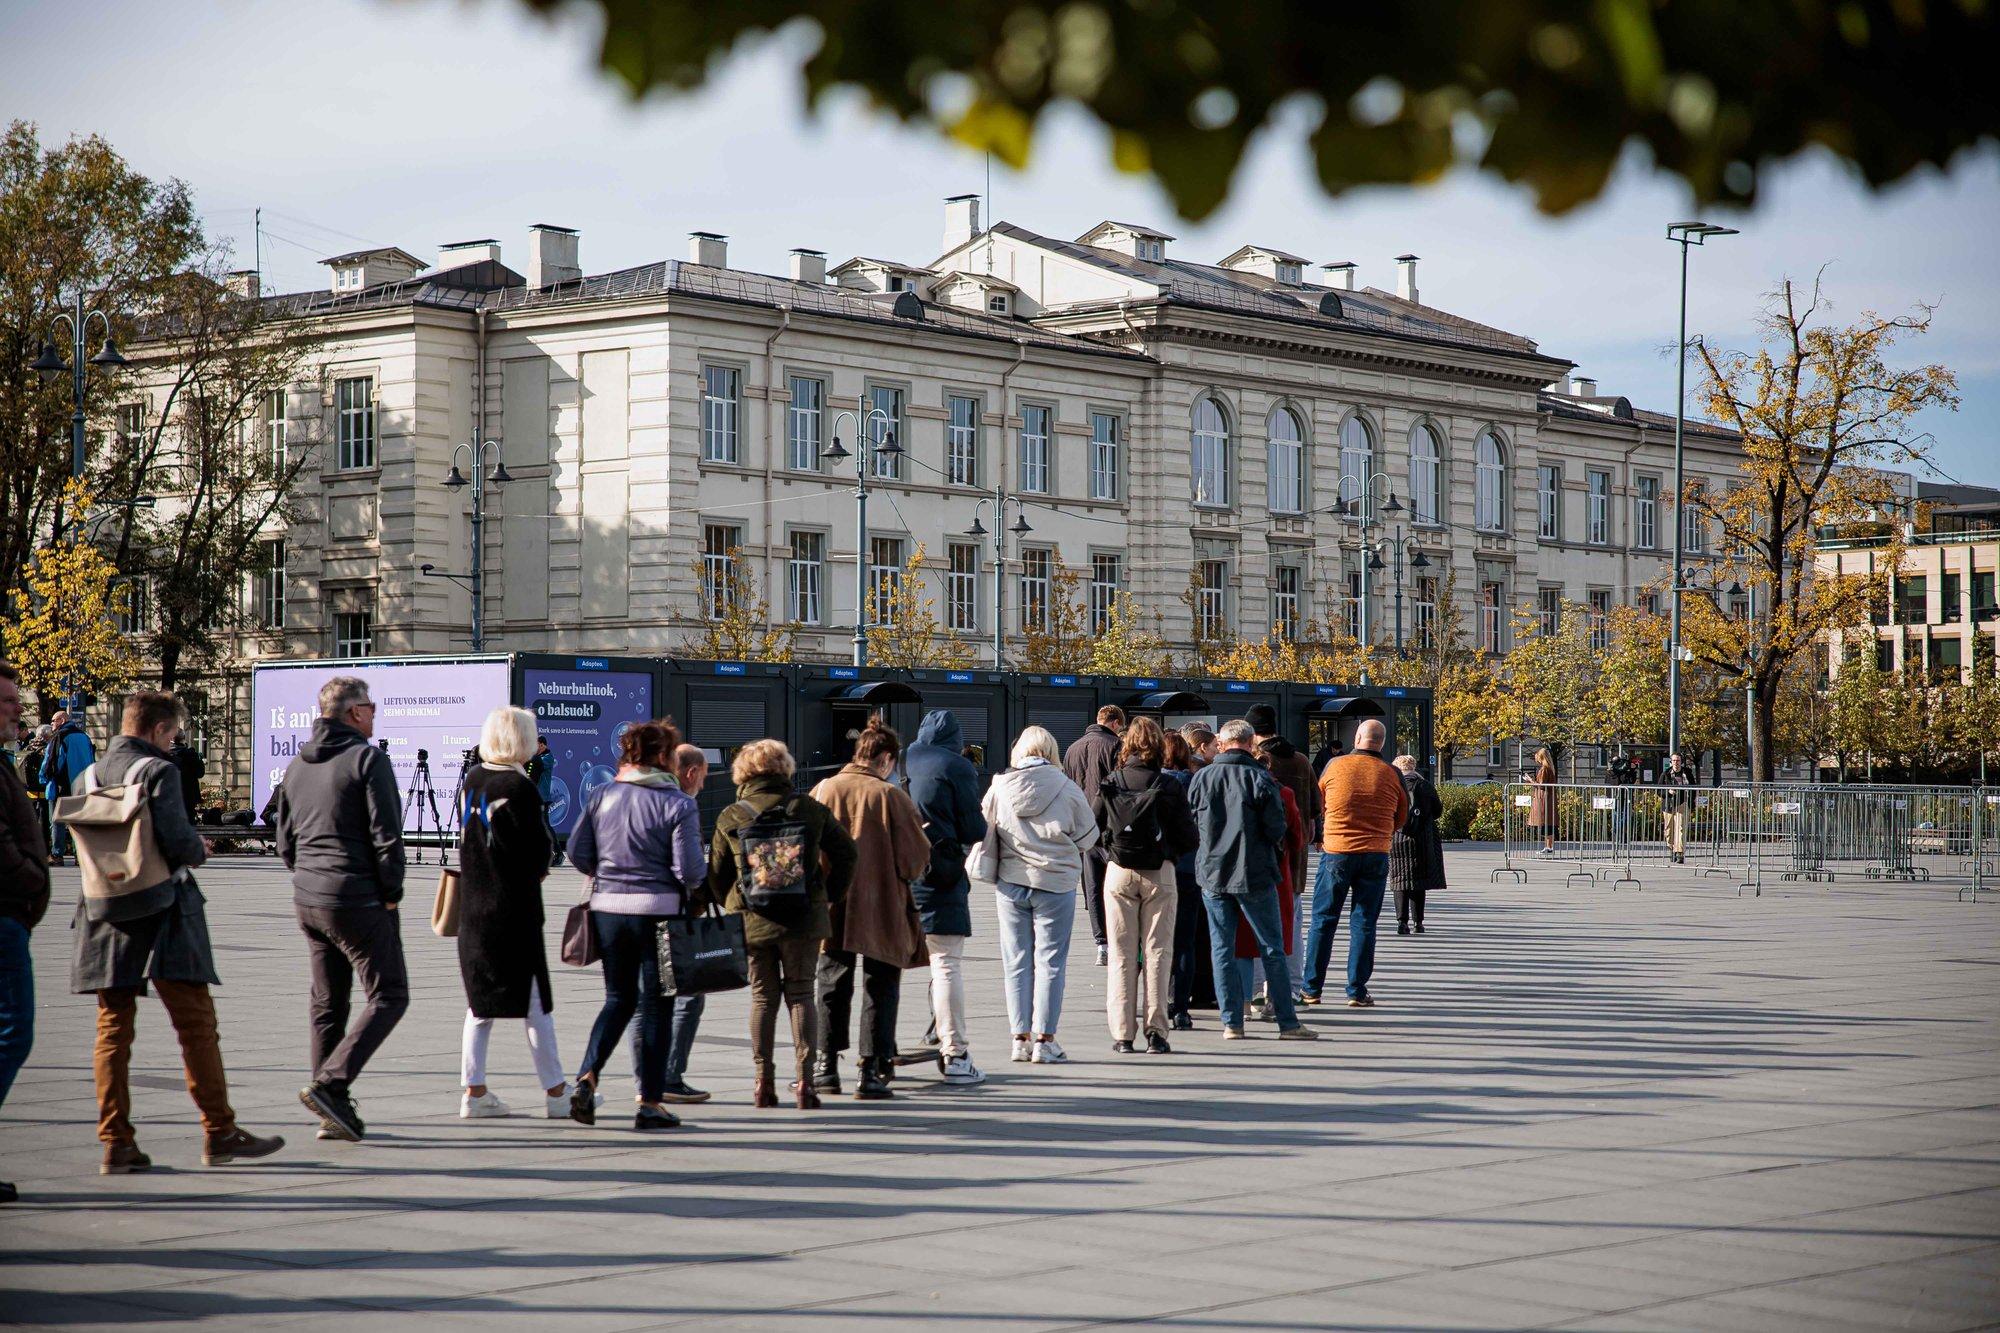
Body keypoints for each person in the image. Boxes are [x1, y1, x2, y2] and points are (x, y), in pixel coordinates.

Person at [70, 692, 285, 1174]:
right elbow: (179, 843)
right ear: (154, 730)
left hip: (104, 907)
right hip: (163, 910)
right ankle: (219, 1131)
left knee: (112, 1030)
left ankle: (117, 1142)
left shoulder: (88, 775)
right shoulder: (158, 772)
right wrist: (199, 845)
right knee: (195, 1025)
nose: (172, 744)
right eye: (171, 734)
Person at [274, 676, 409, 1143]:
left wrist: (308, 875)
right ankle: (332, 1084)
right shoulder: (367, 759)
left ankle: (331, 1108)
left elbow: (284, 842)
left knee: (328, 1002)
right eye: (371, 706)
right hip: (356, 896)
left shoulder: (297, 764)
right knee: (390, 995)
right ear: (354, 713)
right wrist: (391, 891)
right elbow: (386, 836)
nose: (375, 714)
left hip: (308, 896)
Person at [565, 719, 705, 1130]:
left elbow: (577, 850)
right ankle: (650, 1101)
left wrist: (607, 875)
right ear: (664, 757)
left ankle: (588, 1075)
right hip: (658, 912)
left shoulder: (602, 794)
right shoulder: (678, 803)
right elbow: (690, 870)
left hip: (608, 910)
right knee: (657, 1005)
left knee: (617, 999)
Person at [711, 739, 856, 1108]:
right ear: (785, 768)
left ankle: (763, 1083)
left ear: (743, 772)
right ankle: (806, 1083)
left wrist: (733, 901)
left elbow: (715, 873)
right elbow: (847, 853)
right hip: (804, 918)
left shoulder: (732, 814)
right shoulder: (809, 809)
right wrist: (830, 894)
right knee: (801, 993)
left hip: (752, 919)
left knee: (762, 998)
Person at [454, 706, 571, 1120]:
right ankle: (557, 1092)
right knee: (536, 1003)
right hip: (513, 911)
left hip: (474, 910)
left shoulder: (473, 781)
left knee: (479, 1004)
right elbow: (540, 855)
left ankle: (475, 1089)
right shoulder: (520, 790)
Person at [811, 721, 933, 1100]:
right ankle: (871, 1070)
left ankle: (825, 1067)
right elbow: (915, 861)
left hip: (830, 904)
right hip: (881, 905)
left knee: (831, 982)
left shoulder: (824, 788)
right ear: (885, 759)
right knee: (880, 985)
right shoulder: (890, 797)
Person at [1185, 720, 1317, 1042]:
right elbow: (1277, 829)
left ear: (1222, 742)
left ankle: (1232, 1022)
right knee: (1272, 947)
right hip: (1254, 872)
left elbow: (1193, 823)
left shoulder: (1201, 777)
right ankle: (1287, 1022)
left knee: (1222, 948)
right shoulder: (1260, 778)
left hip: (1213, 874)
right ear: (1248, 743)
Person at [977, 726, 1098, 1064]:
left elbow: (983, 825)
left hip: (1011, 881)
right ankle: (1045, 1040)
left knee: (1015, 962)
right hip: (1055, 882)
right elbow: (1089, 836)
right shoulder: (1067, 787)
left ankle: (1019, 1038)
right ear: (1051, 751)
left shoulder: (999, 786)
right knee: (1051, 963)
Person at [1092, 717, 1197, 1054]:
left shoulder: (1112, 781)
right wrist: (1169, 854)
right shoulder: (1168, 786)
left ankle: (1122, 1034)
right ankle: (1156, 1032)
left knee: (1122, 954)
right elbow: (1189, 836)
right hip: (1160, 872)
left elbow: (1091, 826)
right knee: (1158, 951)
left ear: (1128, 745)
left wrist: (1111, 850)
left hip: (1119, 872)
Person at [903, 710, 989, 1084]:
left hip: (902, 875)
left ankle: (877, 1053)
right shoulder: (957, 766)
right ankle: (955, 1054)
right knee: (946, 961)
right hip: (941, 873)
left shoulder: (906, 757)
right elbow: (974, 827)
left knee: (892, 965)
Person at [1301, 718, 1408, 1009]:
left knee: (1323, 921)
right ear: (1382, 743)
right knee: (1363, 923)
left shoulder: (1335, 766)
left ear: (1358, 738)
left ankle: (1311, 989)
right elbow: (1402, 815)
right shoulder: (1391, 773)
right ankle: (1356, 990)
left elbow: (1318, 802)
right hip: (1375, 853)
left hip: (1337, 851)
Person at [0, 661, 50, 1203]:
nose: (17, 709)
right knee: (14, 1034)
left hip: (12, 916)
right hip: (4, 918)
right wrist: (33, 877)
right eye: (7, 701)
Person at [1247, 703, 1319, 999]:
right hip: (1294, 857)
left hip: (1260, 858)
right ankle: (1291, 986)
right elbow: (1314, 811)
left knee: (1255, 926)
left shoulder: (1254, 760)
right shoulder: (1301, 760)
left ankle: (1257, 989)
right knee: (1293, 922)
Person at [1238, 746, 1304, 1021]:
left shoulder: (1237, 793)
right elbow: (1297, 838)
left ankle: (1244, 1000)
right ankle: (1276, 1000)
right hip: (1277, 874)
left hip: (1241, 873)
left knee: (1243, 941)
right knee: (1277, 939)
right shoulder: (1284, 793)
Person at [1062, 705, 1125, 967]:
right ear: (1114, 723)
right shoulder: (1115, 746)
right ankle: (1119, 936)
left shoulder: (1072, 748)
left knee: (1092, 885)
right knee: (1117, 885)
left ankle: (1101, 944)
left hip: (1083, 828)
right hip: (1111, 826)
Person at [1160, 730, 1205, 1031]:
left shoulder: (1155, 783)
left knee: (1156, 940)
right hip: (1191, 869)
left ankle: (1158, 1001)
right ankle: (1182, 1008)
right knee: (1186, 940)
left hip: (1159, 868)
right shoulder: (1197, 783)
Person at [1389, 754, 1446, 934]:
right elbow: (1438, 810)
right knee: (1418, 882)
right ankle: (1418, 923)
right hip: (1422, 839)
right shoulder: (1425, 786)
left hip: (1398, 839)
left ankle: (1401, 922)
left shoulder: (1394, 785)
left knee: (1399, 881)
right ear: (1413, 767)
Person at [40, 708, 95, 867]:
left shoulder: (59, 737)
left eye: (53, 721)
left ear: (62, 721)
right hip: (82, 786)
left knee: (57, 821)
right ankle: (80, 855)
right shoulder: (84, 737)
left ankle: (57, 855)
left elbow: (51, 763)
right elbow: (91, 759)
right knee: (79, 822)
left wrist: (43, 778)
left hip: (61, 786)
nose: (51, 724)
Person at [19, 723, 52, 857]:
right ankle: (43, 849)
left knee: (30, 820)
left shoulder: (28, 747)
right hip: (43, 789)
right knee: (44, 820)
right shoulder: (45, 749)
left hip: (29, 790)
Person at [527, 735, 559, 866]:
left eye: (536, 745)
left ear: (542, 745)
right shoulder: (538, 758)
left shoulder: (547, 758)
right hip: (533, 796)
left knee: (545, 825)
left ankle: (558, 853)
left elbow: (535, 765)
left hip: (542, 798)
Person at [1660, 752, 1695, 864]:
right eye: (1674, 760)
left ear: (1681, 761)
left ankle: (1680, 853)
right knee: (1669, 830)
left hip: (1682, 802)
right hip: (1668, 805)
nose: (1676, 763)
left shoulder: (1687, 773)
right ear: (1671, 762)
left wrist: (1691, 802)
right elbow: (1658, 790)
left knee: (1681, 828)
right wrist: (1668, 792)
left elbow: (1694, 788)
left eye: (1678, 760)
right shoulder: (1666, 773)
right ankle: (1671, 849)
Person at [169, 730, 206, 825]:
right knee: (189, 823)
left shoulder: (165, 755)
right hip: (189, 796)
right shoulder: (191, 755)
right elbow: (200, 773)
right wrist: (200, 760)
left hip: (171, 795)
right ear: (183, 739)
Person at [1529, 747, 1558, 855]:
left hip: (1544, 799)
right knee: (1548, 823)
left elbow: (1541, 785)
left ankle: (1548, 846)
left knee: (1546, 823)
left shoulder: (1544, 769)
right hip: (1548, 798)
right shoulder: (1549, 768)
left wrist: (1531, 780)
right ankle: (1548, 846)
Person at [1607, 749, 1637, 844]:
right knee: (1616, 815)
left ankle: (1618, 831)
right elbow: (1612, 781)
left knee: (1627, 815)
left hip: (1626, 796)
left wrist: (1632, 769)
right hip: (1615, 796)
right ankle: (1617, 833)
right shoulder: (1611, 772)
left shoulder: (1625, 771)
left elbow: (1631, 781)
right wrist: (1614, 770)